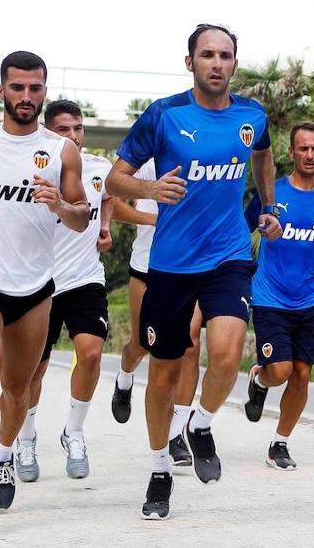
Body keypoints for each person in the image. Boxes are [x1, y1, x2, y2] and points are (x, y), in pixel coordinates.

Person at [107, 24, 278, 520]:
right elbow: (117, 178)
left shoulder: (252, 115)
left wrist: (269, 206)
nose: (217, 64)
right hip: (171, 263)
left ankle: (201, 425)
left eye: (226, 56)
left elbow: (264, 156)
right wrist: (151, 189)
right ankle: (160, 469)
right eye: (208, 55)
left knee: (226, 354)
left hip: (228, 255)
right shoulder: (164, 114)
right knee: (164, 373)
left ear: (234, 64)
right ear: (191, 63)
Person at [0, 51, 90, 511]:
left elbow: (82, 217)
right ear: (2, 91)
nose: (27, 97)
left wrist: (59, 207)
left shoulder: (62, 150)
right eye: (18, 88)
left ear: (44, 91)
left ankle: (5, 455)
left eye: (35, 88)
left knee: (19, 386)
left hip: (34, 286)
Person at [242, 122, 314, 471]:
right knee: (280, 371)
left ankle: (280, 443)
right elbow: (238, 229)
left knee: (303, 374)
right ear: (291, 153)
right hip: (270, 297)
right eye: (303, 149)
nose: (309, 155)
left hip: (311, 299)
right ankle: (260, 380)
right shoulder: (270, 194)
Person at [14, 100, 114, 482]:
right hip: (38, 283)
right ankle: (25, 438)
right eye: (63, 130)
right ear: (48, 131)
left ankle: (74, 432)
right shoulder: (32, 168)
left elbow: (109, 197)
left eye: (78, 128)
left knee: (90, 354)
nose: (73, 136)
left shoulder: (99, 168)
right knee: (32, 371)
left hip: (85, 277)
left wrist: (104, 226)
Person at [109, 159, 199, 468]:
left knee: (189, 348)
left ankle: (176, 434)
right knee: (141, 346)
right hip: (147, 265)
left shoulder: (207, 155)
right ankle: (124, 379)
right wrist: (153, 220)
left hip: (190, 267)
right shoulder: (149, 160)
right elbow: (112, 204)